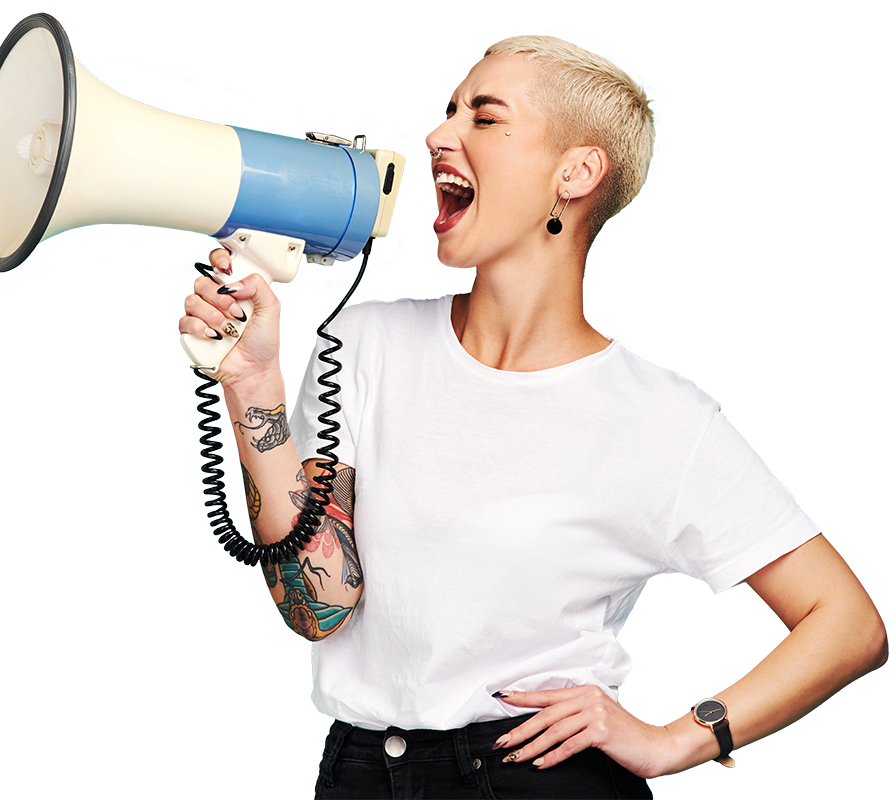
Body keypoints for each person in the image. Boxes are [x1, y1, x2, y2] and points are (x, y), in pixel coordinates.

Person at [179, 34, 887, 800]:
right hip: (360, 773)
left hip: (538, 778)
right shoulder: (363, 344)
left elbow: (847, 624)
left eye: (483, 118)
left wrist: (676, 740)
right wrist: (253, 385)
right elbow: (319, 607)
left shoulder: (661, 421)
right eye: (449, 112)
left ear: (576, 173)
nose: (438, 135)